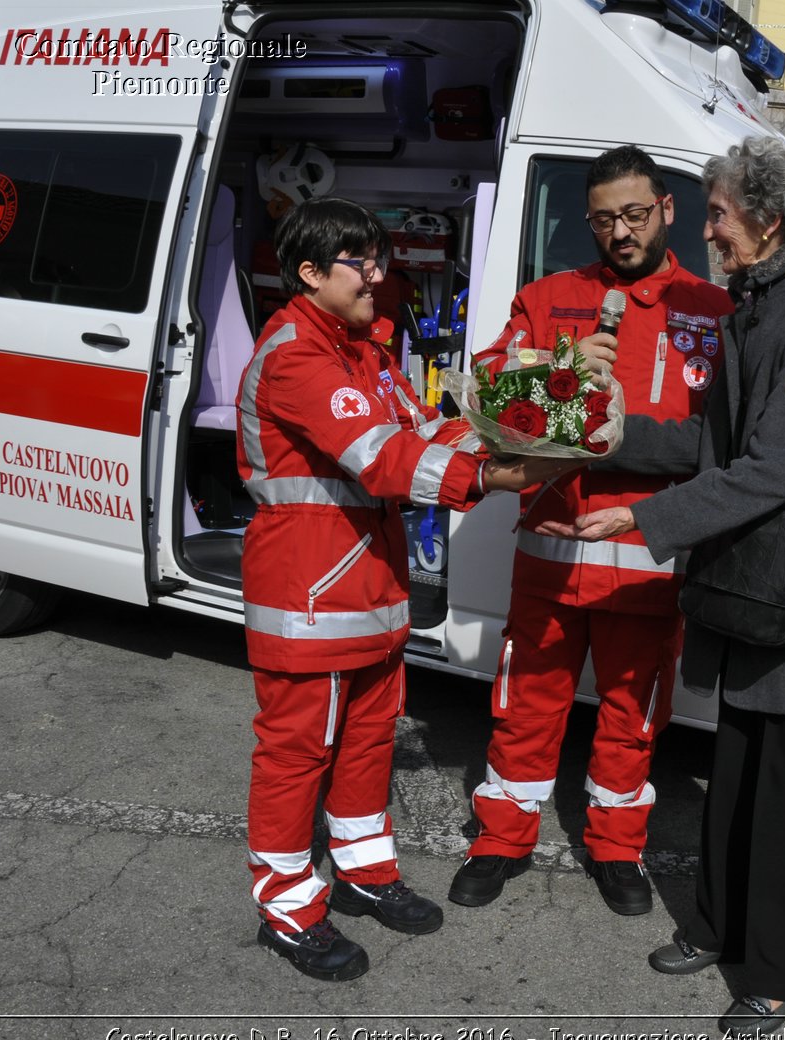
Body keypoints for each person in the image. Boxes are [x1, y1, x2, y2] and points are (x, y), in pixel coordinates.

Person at [542, 137, 785, 1035]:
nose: (708, 230)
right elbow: (711, 442)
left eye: (721, 214)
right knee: (736, 773)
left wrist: (644, 522)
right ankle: (716, 926)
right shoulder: (762, 301)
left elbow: (771, 471)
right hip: (752, 577)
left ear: (768, 220)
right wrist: (610, 438)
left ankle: (779, 973)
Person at [239, 196, 580, 982]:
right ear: (310, 272)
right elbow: (383, 460)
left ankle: (363, 870)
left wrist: (521, 420)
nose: (378, 276)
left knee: (366, 743)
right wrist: (494, 475)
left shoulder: (363, 350)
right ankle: (287, 909)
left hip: (367, 593)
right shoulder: (297, 353)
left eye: (378, 259)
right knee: (295, 757)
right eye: (361, 263)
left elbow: (421, 429)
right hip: (310, 598)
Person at [448, 146, 735, 917]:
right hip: (550, 551)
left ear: (667, 210)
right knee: (526, 704)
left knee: (633, 713)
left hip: (649, 558)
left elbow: (738, 437)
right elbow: (492, 408)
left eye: (635, 215)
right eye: (605, 219)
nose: (621, 232)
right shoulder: (548, 299)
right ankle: (500, 837)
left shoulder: (714, 311)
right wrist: (560, 368)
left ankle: (616, 848)